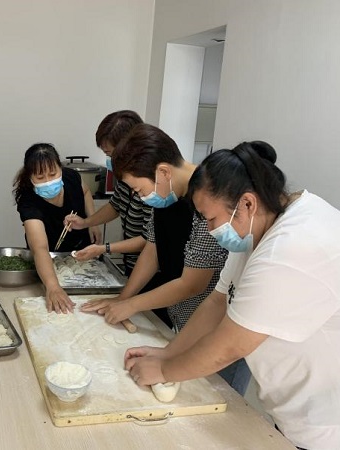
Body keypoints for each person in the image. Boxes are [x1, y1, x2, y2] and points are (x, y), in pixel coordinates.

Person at [125, 141, 340, 449]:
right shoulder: (257, 228)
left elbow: (231, 345)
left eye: (211, 219)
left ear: (247, 203)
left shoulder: (290, 248)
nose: (210, 229)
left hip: (327, 423)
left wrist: (163, 370)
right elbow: (217, 302)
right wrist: (168, 352)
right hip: (296, 407)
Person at [80, 124, 249, 395]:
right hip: (186, 321)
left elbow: (192, 284)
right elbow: (152, 249)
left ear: (163, 172)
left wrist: (131, 304)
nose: (139, 196)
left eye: (138, 189)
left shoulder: (208, 201)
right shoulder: (166, 196)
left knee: (217, 397)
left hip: (219, 330)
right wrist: (123, 298)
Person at [13, 143, 102, 314]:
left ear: (60, 169)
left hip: (81, 251)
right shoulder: (28, 201)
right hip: (49, 259)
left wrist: (92, 222)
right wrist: (53, 287)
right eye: (40, 177)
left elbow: (85, 192)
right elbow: (40, 248)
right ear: (30, 177)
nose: (48, 181)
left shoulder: (71, 177)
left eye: (53, 174)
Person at [67, 111, 152, 276]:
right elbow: (115, 205)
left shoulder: (152, 186)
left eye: (111, 154)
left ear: (130, 148)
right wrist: (86, 223)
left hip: (151, 269)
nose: (110, 160)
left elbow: (149, 239)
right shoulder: (124, 175)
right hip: (132, 264)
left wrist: (103, 248)